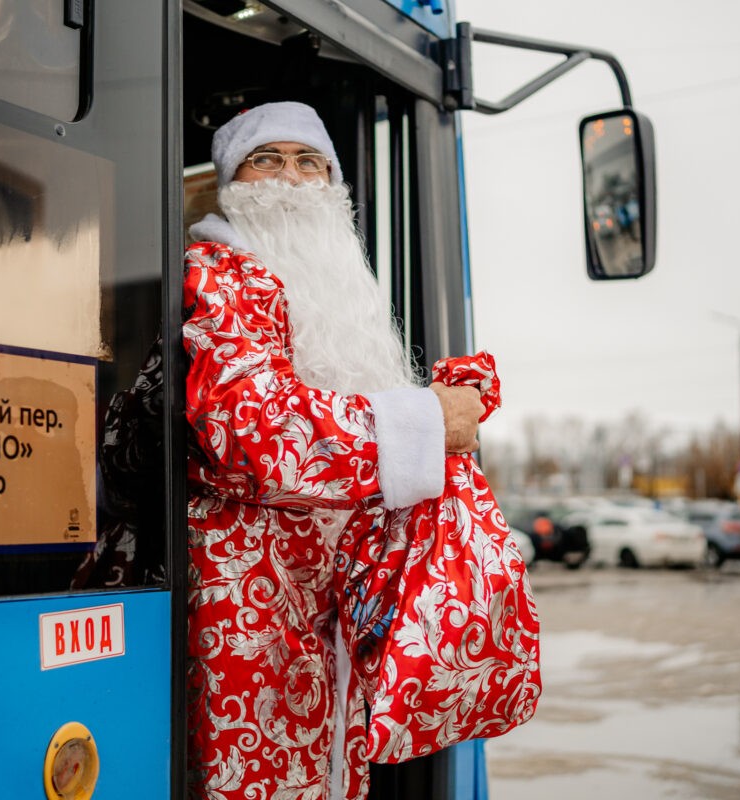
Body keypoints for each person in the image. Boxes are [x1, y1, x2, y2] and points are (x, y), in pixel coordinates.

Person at [183, 101, 483, 800]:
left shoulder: (344, 289)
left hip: (324, 617)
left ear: (334, 184)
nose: (291, 178)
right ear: (233, 182)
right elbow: (250, 430)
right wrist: (426, 420)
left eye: (309, 162)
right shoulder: (222, 271)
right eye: (267, 160)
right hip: (247, 618)